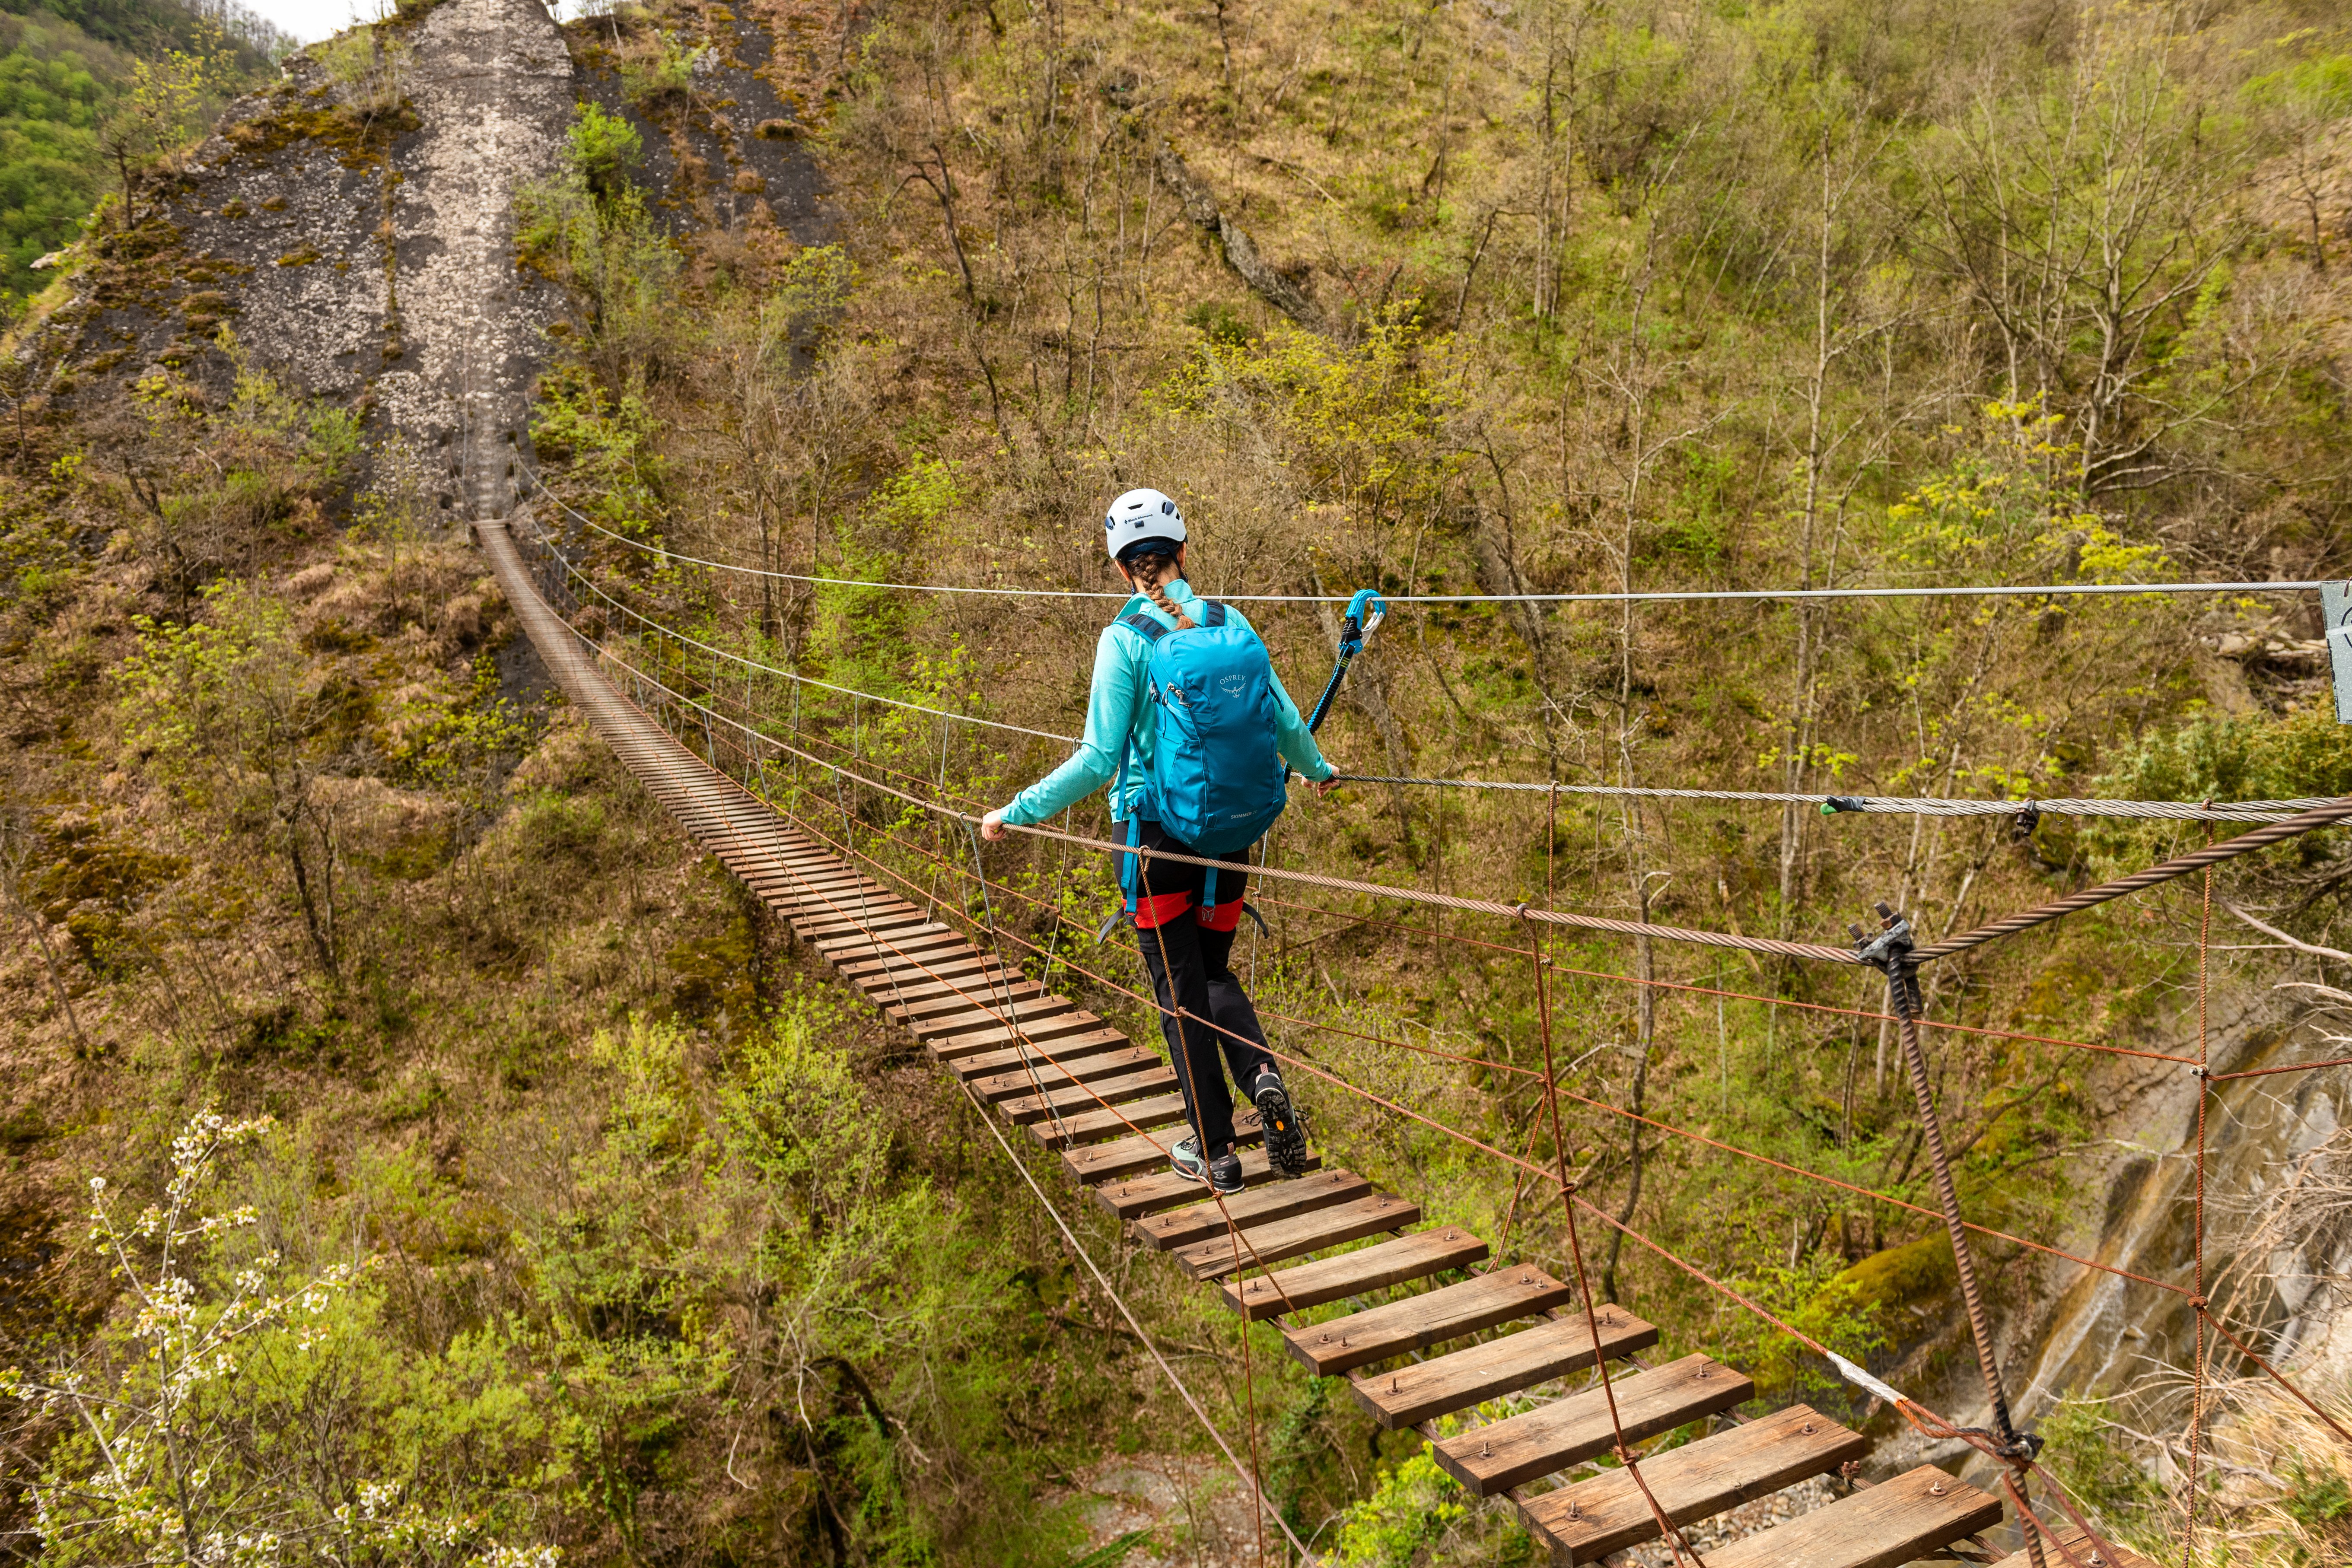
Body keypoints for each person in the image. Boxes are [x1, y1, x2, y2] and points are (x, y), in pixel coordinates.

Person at [980, 487, 1337, 1194]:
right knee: (1213, 973)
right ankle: (1260, 1073)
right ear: (1183, 553)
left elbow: (1095, 759)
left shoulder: (1125, 641)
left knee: (1180, 993)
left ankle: (1217, 1153)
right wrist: (1320, 772)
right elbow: (1287, 723)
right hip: (1228, 839)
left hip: (1152, 842)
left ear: (1120, 570)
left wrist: (1013, 813)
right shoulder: (1233, 626)